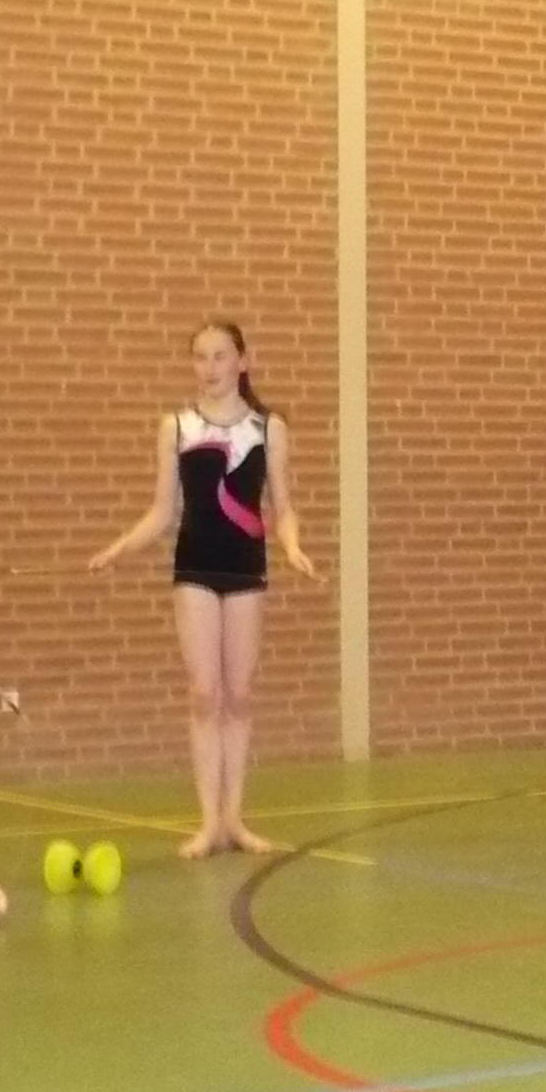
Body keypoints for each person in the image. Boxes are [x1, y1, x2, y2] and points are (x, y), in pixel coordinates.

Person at [89, 321, 318, 857]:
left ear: (243, 361)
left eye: (219, 356)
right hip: (194, 566)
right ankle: (208, 822)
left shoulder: (268, 428)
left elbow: (283, 508)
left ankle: (234, 817)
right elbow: (162, 512)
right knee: (203, 692)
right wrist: (119, 547)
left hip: (246, 567)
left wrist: (292, 546)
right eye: (200, 357)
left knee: (238, 694)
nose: (209, 368)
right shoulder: (177, 426)